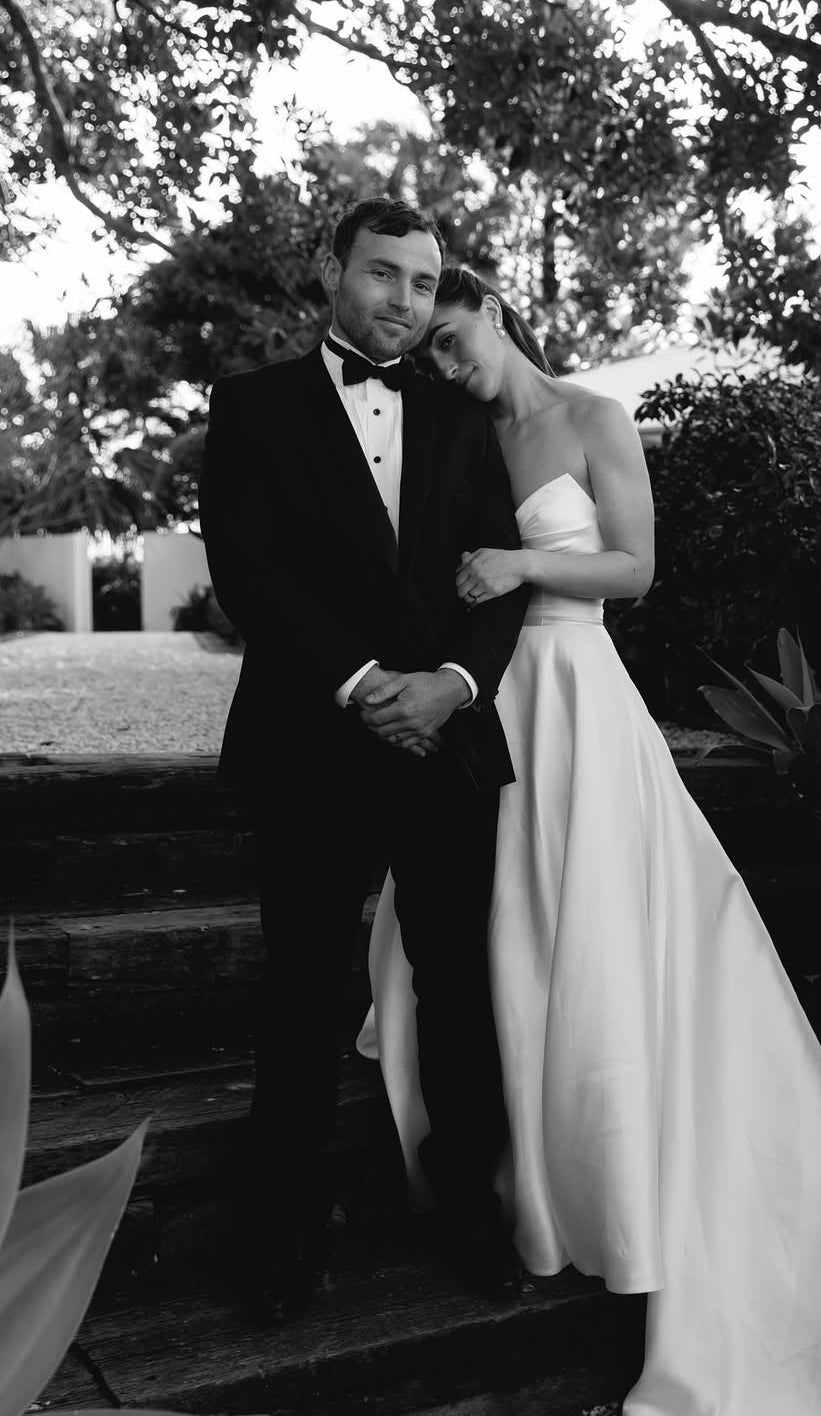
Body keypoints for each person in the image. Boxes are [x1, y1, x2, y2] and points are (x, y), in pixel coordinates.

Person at [357, 267, 821, 1414]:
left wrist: (523, 562)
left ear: (492, 312)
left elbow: (635, 568)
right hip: (487, 705)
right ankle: (517, 1178)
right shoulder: (455, 440)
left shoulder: (592, 418)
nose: (444, 366)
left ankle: (622, 1182)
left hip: (579, 699)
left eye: (451, 340)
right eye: (428, 356)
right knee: (495, 937)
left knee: (599, 939)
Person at [198, 203, 530, 1323]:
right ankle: (280, 1229)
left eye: (423, 282)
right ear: (332, 271)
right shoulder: (253, 406)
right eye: (383, 273)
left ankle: (469, 1205)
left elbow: (499, 573)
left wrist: (455, 684)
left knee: (459, 988)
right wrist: (364, 685)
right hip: (309, 741)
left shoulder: (462, 417)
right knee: (300, 988)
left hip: (447, 745)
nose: (403, 299)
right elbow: (249, 575)